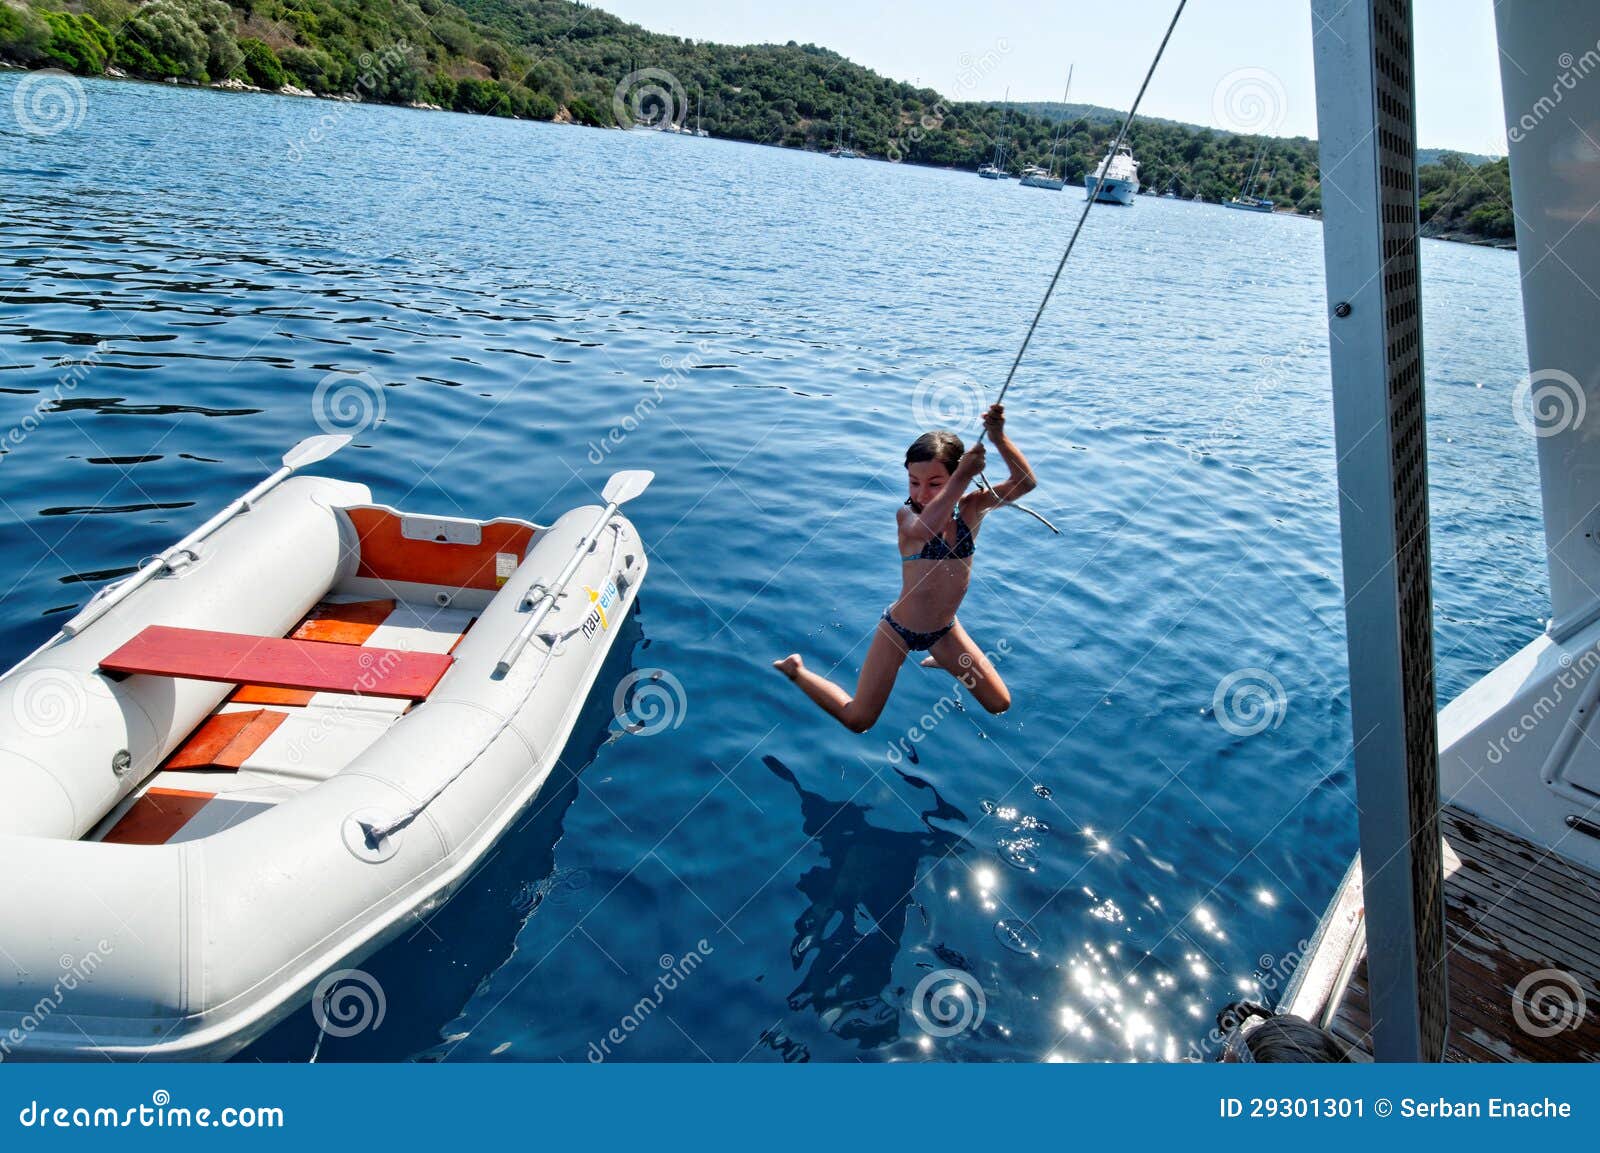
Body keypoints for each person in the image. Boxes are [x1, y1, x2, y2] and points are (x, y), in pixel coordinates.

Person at [773, 403, 1036, 732]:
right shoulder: (907, 516)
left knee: (999, 704)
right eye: (914, 482)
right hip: (898, 632)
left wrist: (998, 437)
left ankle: (942, 657)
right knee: (858, 720)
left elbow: (1025, 483)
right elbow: (924, 530)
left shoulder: (973, 508)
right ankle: (796, 670)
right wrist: (962, 477)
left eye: (934, 483)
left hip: (944, 632)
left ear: (955, 477)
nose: (921, 493)